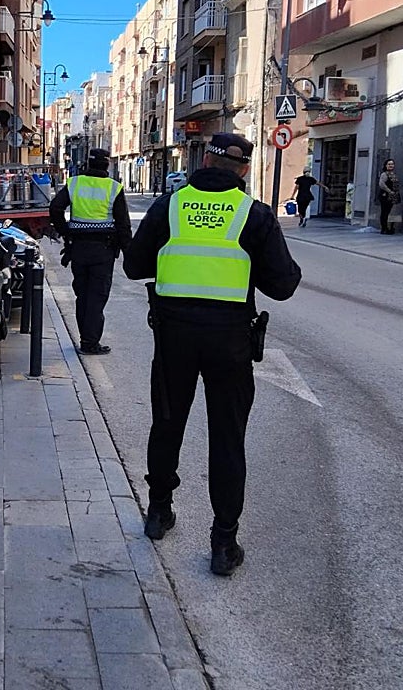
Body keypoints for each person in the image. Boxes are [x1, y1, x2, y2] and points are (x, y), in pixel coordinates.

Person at [124, 133, 302, 577]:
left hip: (173, 338)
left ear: (203, 160)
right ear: (243, 170)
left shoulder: (170, 206)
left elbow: (133, 266)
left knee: (166, 425)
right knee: (227, 438)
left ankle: (158, 513)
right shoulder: (253, 215)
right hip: (230, 343)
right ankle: (223, 543)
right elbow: (282, 285)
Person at [49, 148, 132, 355]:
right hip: (103, 251)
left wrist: (65, 231)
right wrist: (129, 252)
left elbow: (55, 208)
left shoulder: (75, 183)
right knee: (97, 297)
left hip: (78, 249)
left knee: (83, 296)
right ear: (107, 165)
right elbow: (123, 225)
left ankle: (85, 338)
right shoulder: (114, 188)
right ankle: (90, 342)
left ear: (88, 163)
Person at [376, 158, 400, 234]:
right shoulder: (384, 174)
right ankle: (384, 228)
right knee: (385, 212)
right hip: (386, 196)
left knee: (390, 212)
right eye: (389, 164)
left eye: (392, 164)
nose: (391, 165)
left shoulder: (393, 174)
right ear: (386, 165)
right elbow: (381, 184)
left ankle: (390, 227)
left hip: (393, 196)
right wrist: (389, 191)